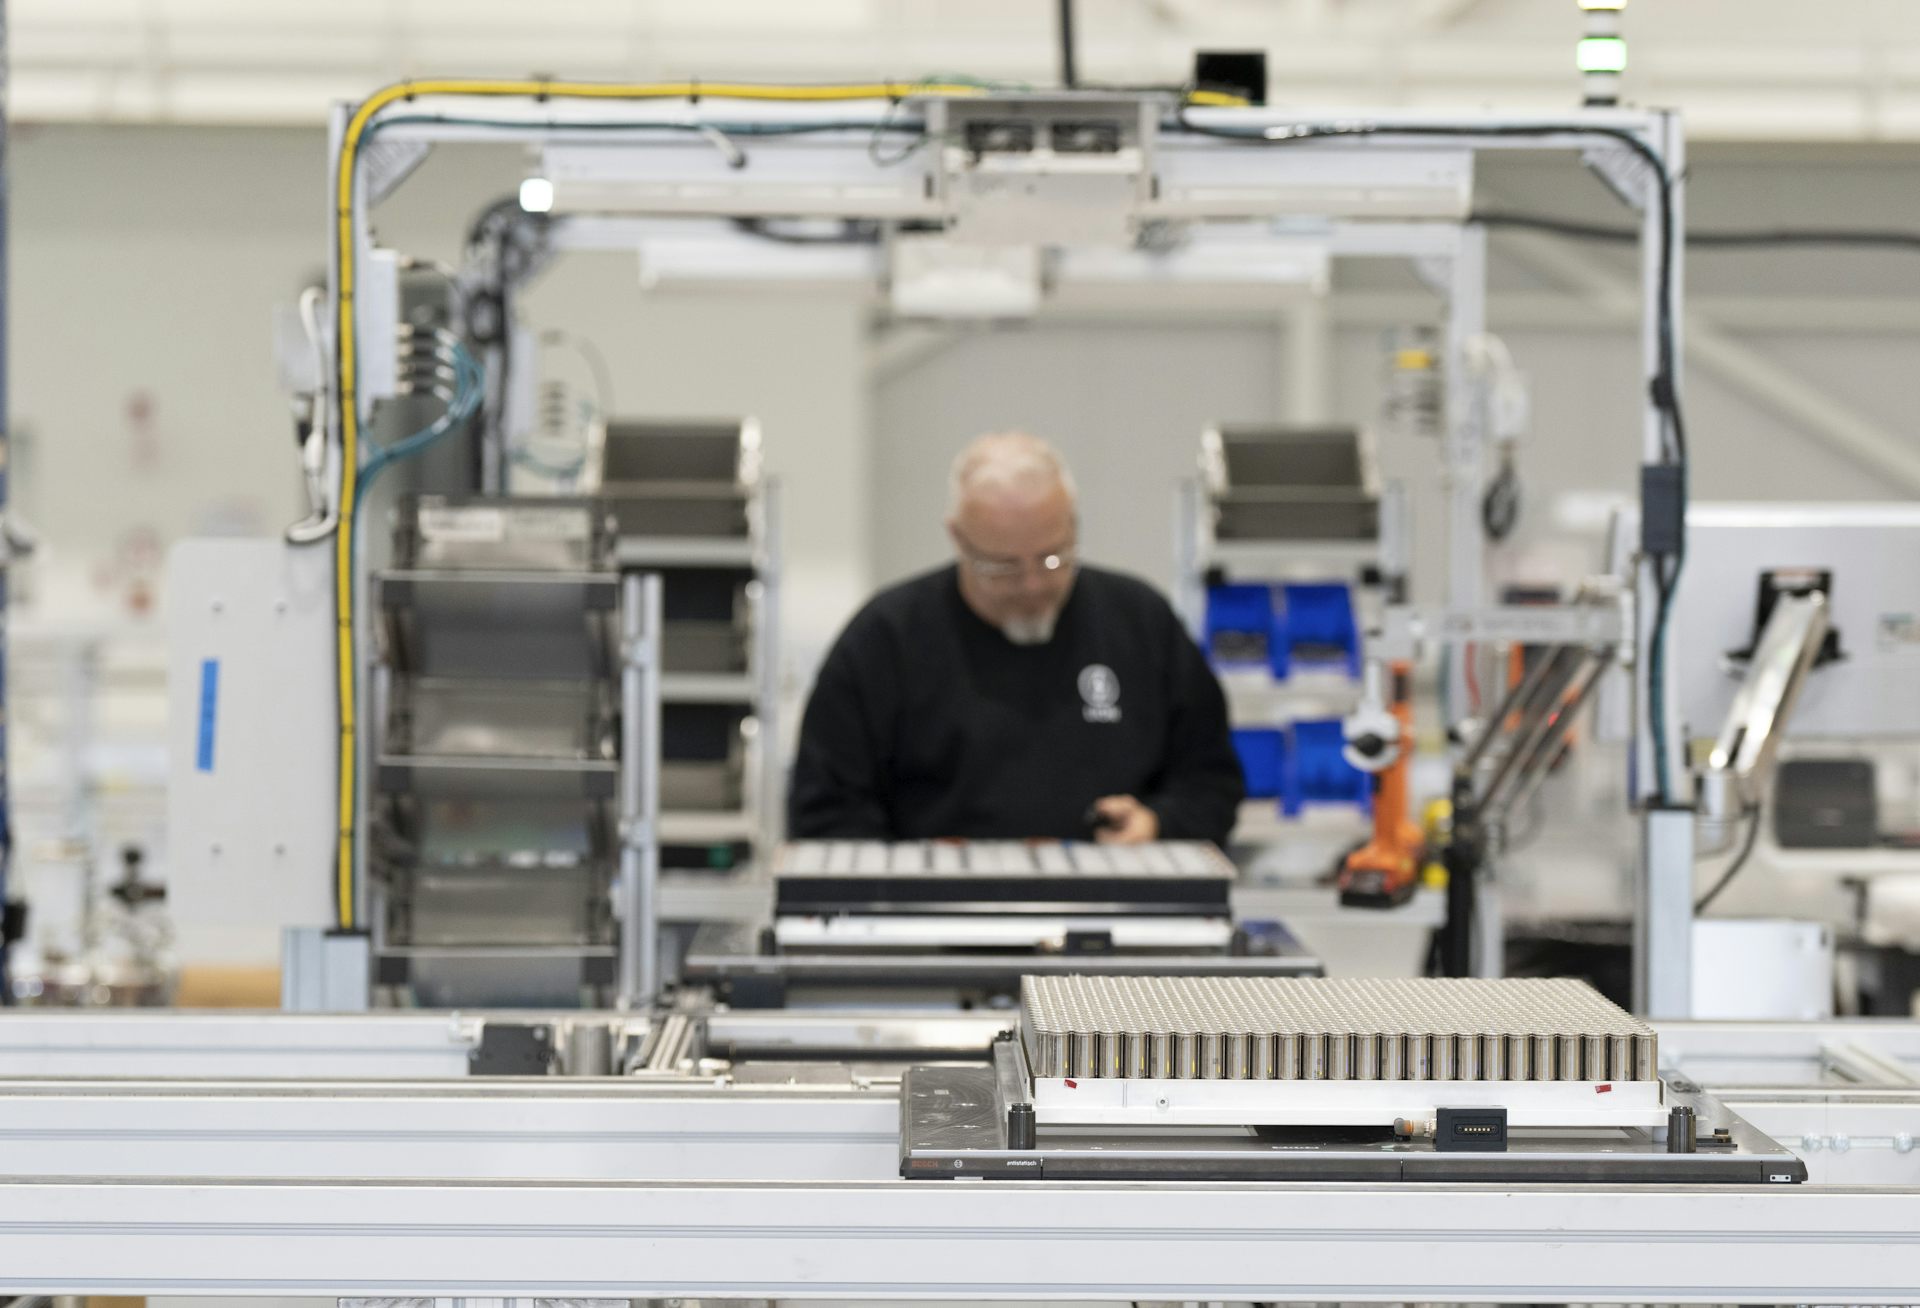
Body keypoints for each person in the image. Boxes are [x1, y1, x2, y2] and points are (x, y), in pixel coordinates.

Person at [788, 431, 1243, 846]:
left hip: (1113, 917)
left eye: (1052, 558)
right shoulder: (886, 639)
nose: (1032, 587)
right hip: (931, 924)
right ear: (958, 539)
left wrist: (1158, 823)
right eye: (1002, 567)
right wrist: (907, 869)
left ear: (1074, 525)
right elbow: (825, 809)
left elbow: (1211, 779)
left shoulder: (1140, 622)